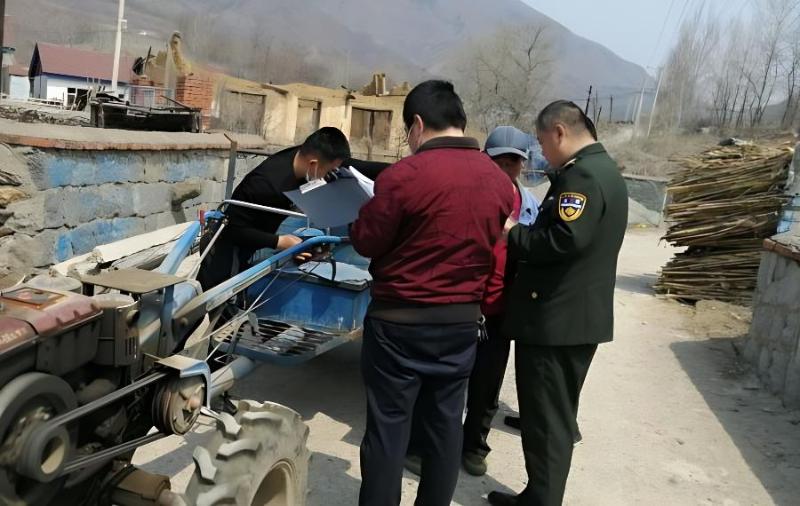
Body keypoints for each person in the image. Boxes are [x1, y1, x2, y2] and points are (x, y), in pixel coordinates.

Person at [350, 80, 515, 506]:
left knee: (388, 431)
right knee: (444, 429)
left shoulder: (404, 176)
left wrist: (357, 220)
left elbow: (368, 241)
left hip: (398, 324)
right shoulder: (499, 182)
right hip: (460, 325)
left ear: (418, 125)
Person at [488, 101, 628, 506]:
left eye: (542, 141)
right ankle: (539, 495)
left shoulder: (582, 175)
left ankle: (541, 500)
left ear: (559, 132)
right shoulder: (603, 170)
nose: (541, 151)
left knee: (546, 420)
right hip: (573, 317)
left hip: (555, 321)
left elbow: (563, 241)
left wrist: (513, 232)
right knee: (555, 417)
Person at [197, 127, 387, 290]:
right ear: (314, 165)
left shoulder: (310, 157)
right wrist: (280, 242)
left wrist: (399, 169)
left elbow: (354, 166)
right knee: (221, 303)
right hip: (229, 247)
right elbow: (232, 229)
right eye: (330, 171)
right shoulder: (266, 184)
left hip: (260, 237)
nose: (331, 176)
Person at [461, 126, 539, 476]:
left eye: (513, 162)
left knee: (486, 385)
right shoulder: (465, 196)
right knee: (446, 381)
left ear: (523, 164)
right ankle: (437, 442)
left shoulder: (530, 207)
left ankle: (474, 446)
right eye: (499, 162)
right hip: (462, 305)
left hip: (499, 312)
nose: (506, 169)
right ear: (485, 160)